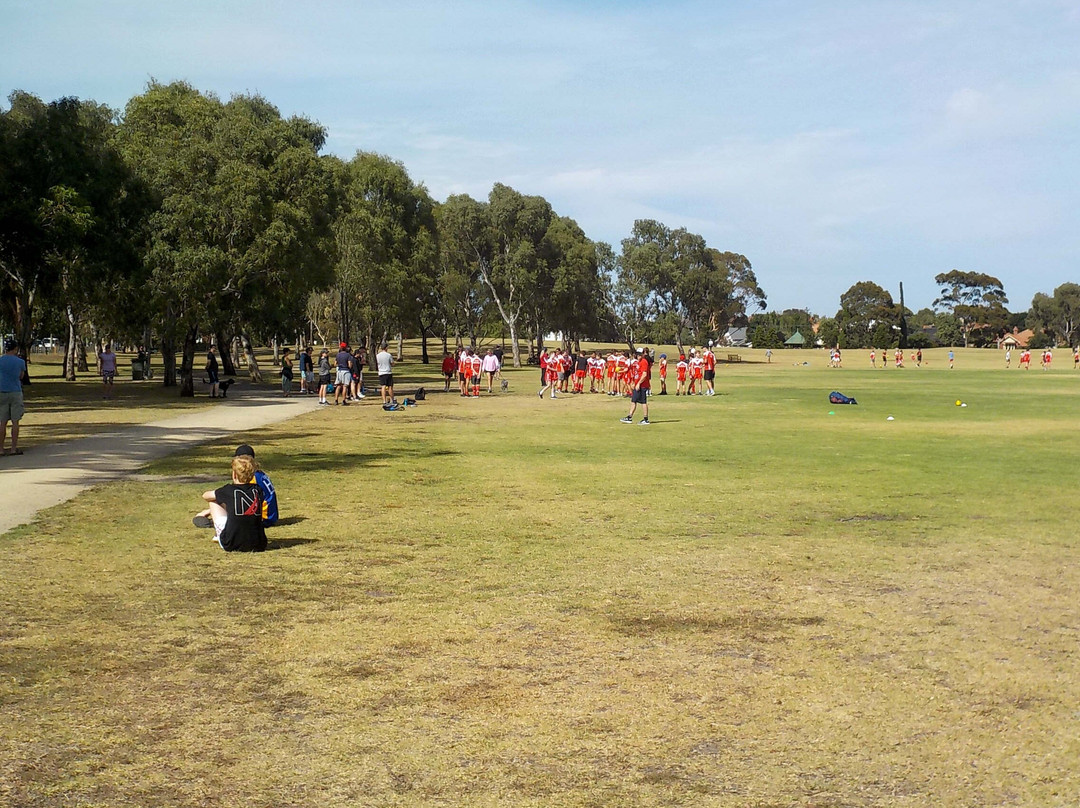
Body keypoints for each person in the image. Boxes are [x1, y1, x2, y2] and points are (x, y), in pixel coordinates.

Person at [193, 454, 267, 552]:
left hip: (231, 544)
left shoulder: (228, 490)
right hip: (259, 544)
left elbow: (206, 496)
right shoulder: (258, 490)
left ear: (234, 474)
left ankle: (215, 531)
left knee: (214, 500)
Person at [1, 339, 28, 456]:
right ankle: (13, 448)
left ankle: (1, 449)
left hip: (2, 391)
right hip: (15, 391)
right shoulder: (20, 362)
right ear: (15, 349)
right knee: (15, 421)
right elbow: (21, 376)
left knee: (2, 422)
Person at [620, 347, 651, 425]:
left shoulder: (644, 362)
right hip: (638, 384)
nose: (638, 356)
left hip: (642, 385)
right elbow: (637, 374)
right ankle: (629, 417)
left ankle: (645, 419)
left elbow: (644, 375)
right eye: (637, 354)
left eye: (640, 354)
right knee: (633, 401)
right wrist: (634, 382)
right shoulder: (638, 362)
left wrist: (638, 383)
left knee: (643, 402)